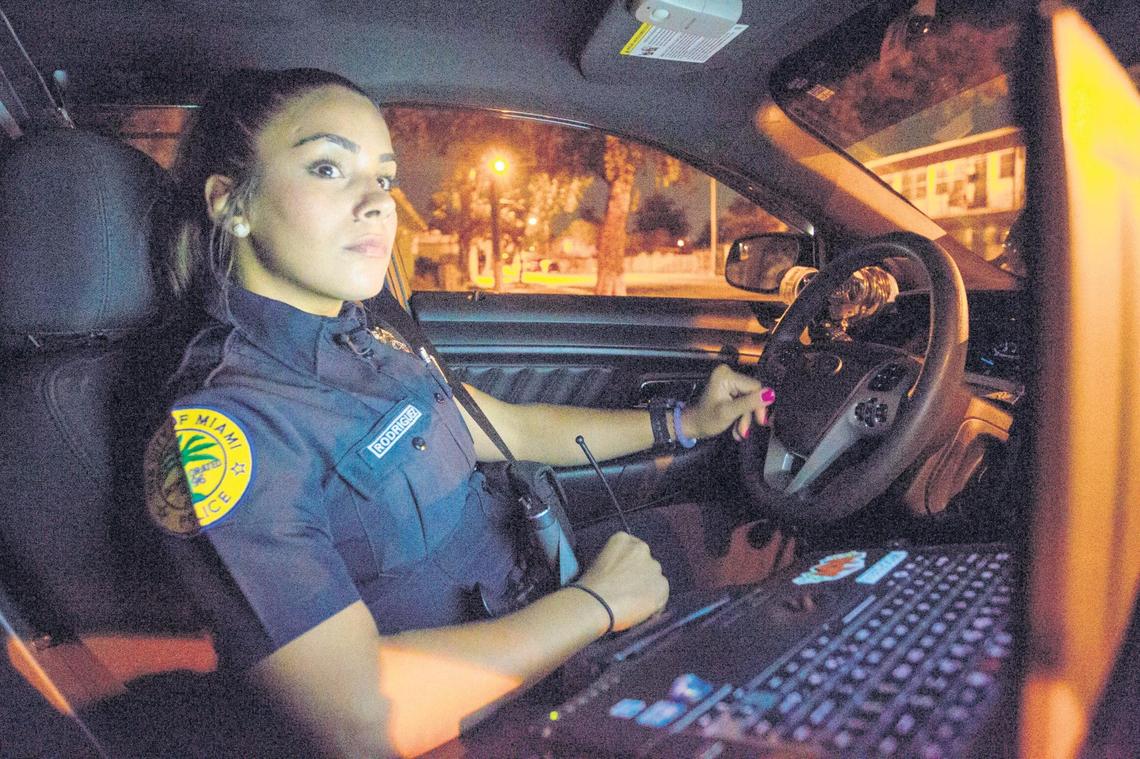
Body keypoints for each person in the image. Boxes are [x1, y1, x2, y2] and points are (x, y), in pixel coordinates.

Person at [144, 68, 774, 758]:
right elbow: (358, 719)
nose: (378, 202)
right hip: (488, 718)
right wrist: (593, 606)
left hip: (545, 609)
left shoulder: (367, 334)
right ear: (231, 203)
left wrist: (684, 424)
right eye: (329, 167)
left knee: (745, 554)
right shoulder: (222, 427)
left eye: (383, 177)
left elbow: (510, 427)